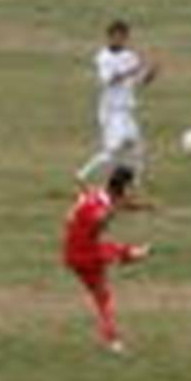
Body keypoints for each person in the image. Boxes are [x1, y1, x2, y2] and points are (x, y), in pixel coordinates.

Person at [63, 165, 151, 355]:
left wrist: (140, 207)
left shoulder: (98, 195)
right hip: (84, 255)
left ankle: (113, 341)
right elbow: (99, 220)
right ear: (123, 188)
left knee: (102, 293)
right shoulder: (100, 207)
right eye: (130, 187)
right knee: (104, 292)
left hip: (78, 251)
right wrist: (112, 210)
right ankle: (113, 341)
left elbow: (108, 204)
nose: (132, 191)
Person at [77, 20, 157, 183]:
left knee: (137, 148)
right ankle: (82, 175)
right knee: (113, 150)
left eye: (123, 37)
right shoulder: (103, 57)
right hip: (111, 111)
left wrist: (150, 75)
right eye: (116, 37)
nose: (119, 40)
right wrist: (131, 70)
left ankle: (134, 184)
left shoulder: (130, 56)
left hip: (126, 110)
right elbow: (109, 80)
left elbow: (138, 82)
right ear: (109, 37)